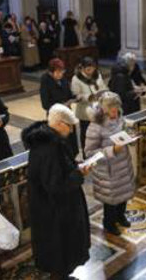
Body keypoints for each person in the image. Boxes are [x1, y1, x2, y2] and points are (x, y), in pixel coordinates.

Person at [21, 104, 91, 280]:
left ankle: (63, 274)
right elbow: (55, 186)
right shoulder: (49, 148)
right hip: (55, 211)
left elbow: (62, 168)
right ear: (60, 124)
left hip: (55, 208)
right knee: (60, 250)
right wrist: (78, 174)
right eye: (69, 125)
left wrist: (76, 167)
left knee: (62, 251)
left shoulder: (50, 141)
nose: (71, 129)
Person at [84, 92, 135, 236]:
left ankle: (120, 216)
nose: (115, 111)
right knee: (111, 201)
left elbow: (123, 133)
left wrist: (130, 137)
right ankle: (109, 223)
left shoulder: (120, 118)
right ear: (103, 109)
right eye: (111, 108)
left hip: (123, 165)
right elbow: (89, 153)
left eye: (116, 107)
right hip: (108, 170)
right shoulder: (95, 126)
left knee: (123, 195)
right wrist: (112, 149)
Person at [71, 57, 107, 150]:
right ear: (82, 68)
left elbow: (102, 86)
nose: (91, 71)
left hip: (98, 108)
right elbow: (76, 95)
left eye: (92, 68)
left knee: (98, 131)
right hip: (85, 111)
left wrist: (104, 93)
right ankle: (85, 152)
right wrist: (88, 97)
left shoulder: (97, 74)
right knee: (86, 133)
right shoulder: (76, 78)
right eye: (88, 69)